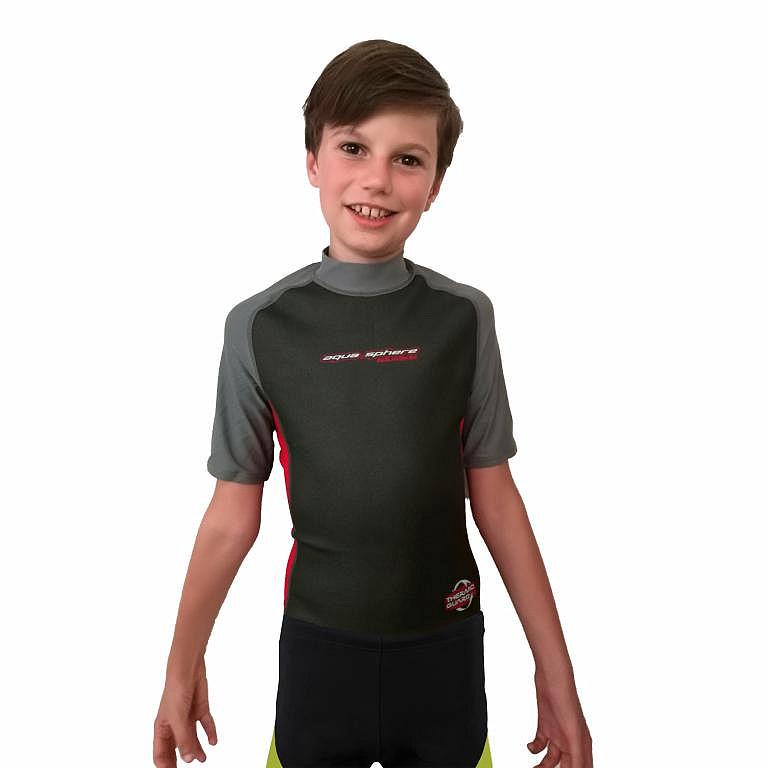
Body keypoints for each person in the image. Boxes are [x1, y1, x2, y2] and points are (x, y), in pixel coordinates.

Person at [153, 39, 592, 768]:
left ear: (437, 182)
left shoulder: (463, 318)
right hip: (320, 661)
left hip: (446, 657)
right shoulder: (260, 326)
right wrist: (181, 665)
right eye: (354, 147)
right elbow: (232, 515)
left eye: (408, 159)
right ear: (313, 160)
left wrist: (557, 674)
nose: (377, 180)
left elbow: (496, 500)